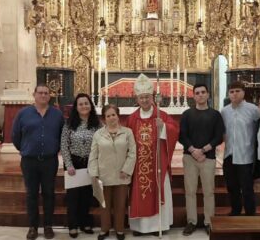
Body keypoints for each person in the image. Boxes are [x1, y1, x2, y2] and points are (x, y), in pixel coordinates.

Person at [126, 73, 179, 235]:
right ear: (137, 99)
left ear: (152, 97)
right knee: (139, 192)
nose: (144, 100)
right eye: (141, 98)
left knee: (157, 190)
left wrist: (163, 127)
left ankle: (158, 226)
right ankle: (139, 227)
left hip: (157, 162)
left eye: (147, 97)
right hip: (139, 163)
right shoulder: (132, 118)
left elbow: (174, 130)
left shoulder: (160, 115)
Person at [12, 84, 64, 240]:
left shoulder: (57, 115)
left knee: (49, 193)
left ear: (49, 96)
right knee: (32, 194)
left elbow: (63, 135)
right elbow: (15, 136)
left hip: (49, 161)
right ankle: (33, 227)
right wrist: (26, 149)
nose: (43, 95)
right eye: (40, 93)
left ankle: (48, 226)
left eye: (46, 93)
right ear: (34, 95)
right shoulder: (23, 114)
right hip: (29, 161)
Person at [179, 84, 225, 236]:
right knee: (190, 191)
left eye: (203, 92)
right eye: (197, 93)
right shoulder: (186, 114)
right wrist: (193, 151)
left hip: (208, 157)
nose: (200, 95)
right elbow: (182, 135)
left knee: (208, 192)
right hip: (190, 157)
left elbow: (218, 136)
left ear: (208, 95)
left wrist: (204, 150)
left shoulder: (215, 115)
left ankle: (208, 222)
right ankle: (191, 221)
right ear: (193, 96)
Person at [89, 104, 136, 240]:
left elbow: (132, 153)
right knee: (104, 205)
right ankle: (104, 229)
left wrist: (126, 170)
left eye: (113, 114)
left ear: (118, 115)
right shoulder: (98, 134)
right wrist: (94, 174)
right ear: (104, 118)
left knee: (120, 205)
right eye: (108, 116)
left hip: (122, 175)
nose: (111, 118)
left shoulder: (127, 132)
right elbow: (93, 156)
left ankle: (120, 230)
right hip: (103, 176)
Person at [60, 93, 101, 238]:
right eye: (81, 104)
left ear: (91, 105)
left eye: (86, 103)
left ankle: (84, 222)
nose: (84, 106)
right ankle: (73, 225)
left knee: (87, 195)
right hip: (74, 164)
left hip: (90, 163)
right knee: (73, 197)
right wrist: (69, 164)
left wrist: (96, 164)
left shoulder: (97, 124)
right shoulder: (69, 124)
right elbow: (64, 145)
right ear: (76, 107)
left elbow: (101, 144)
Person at [221, 81, 260, 216]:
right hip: (229, 154)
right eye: (231, 92)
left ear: (243, 92)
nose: (234, 94)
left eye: (237, 91)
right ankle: (235, 211)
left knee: (247, 187)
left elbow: (259, 130)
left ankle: (250, 213)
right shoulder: (224, 111)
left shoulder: (253, 109)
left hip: (246, 155)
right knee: (232, 187)